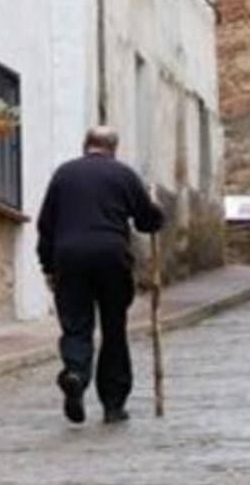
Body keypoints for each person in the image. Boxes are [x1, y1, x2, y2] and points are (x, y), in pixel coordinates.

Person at [36, 126, 163, 425]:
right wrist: (157, 210)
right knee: (114, 328)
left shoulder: (63, 174)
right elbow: (147, 221)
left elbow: (46, 225)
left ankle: (76, 374)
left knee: (76, 326)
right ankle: (113, 404)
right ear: (113, 148)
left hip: (69, 257)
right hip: (112, 256)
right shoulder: (124, 174)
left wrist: (48, 266)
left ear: (85, 146)